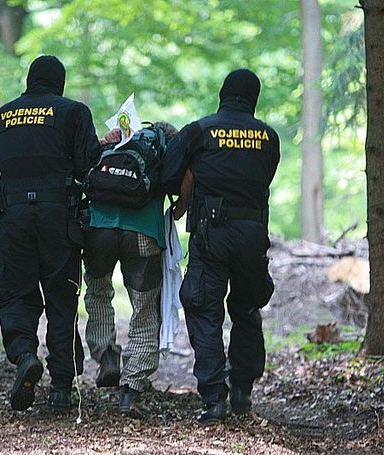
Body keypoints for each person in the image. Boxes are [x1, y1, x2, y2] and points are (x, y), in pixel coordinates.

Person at [160, 69, 280, 425]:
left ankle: (214, 399)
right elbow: (265, 176)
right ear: (253, 98)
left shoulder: (199, 130)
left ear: (222, 94)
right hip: (252, 234)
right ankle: (242, 388)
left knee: (203, 309)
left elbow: (169, 174)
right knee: (246, 309)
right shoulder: (269, 137)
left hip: (211, 233)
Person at [0, 55, 100, 411]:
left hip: (13, 216)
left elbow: (5, 163)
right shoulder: (74, 112)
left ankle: (23, 355)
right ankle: (61, 389)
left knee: (15, 293)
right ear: (59, 82)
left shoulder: (1, 117)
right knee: (61, 298)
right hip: (58, 216)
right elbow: (89, 165)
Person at [83, 122, 178, 415]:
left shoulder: (116, 143)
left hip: (98, 229)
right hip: (143, 233)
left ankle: (106, 357)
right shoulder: (162, 149)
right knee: (144, 307)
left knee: (98, 293)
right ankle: (130, 390)